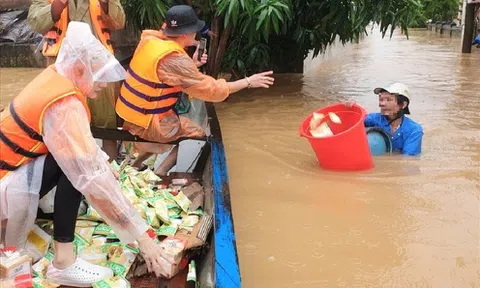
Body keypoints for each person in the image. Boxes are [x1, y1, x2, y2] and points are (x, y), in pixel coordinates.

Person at [0, 22, 167, 286]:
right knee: (76, 169)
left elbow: (84, 147)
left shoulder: (56, 75)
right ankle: (63, 263)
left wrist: (101, 162)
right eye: (100, 76)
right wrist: (143, 238)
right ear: (80, 68)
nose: (104, 86)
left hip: (10, 174)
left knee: (86, 161)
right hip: (5, 187)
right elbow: (88, 173)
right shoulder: (64, 102)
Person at [116, 5, 275, 176]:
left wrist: (192, 65)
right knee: (197, 133)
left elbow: (166, 75)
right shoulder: (175, 59)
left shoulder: (151, 41)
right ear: (185, 34)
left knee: (178, 122)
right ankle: (160, 172)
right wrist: (248, 82)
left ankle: (136, 165)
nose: (196, 34)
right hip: (148, 124)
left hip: (130, 115)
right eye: (194, 30)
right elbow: (212, 90)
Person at [27, 0, 125, 161]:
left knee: (107, 123)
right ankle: (67, 170)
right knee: (63, 122)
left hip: (98, 66)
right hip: (62, 68)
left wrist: (106, 3)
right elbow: (36, 23)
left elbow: (119, 22)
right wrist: (59, 4)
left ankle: (111, 171)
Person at [347, 83, 423, 156]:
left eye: (388, 100)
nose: (382, 104)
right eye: (381, 99)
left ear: (403, 104)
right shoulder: (374, 119)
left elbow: (408, 160)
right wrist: (352, 110)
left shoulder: (414, 130)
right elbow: (351, 124)